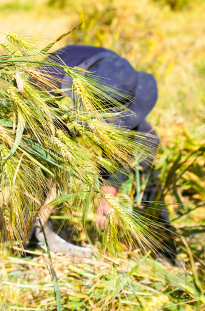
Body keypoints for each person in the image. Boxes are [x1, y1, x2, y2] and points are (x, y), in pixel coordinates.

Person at [33, 45, 176, 260]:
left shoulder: (117, 74)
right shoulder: (47, 81)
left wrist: (108, 194)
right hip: (54, 107)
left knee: (147, 142)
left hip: (103, 99)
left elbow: (119, 144)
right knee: (48, 160)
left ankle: (159, 235)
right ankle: (35, 238)